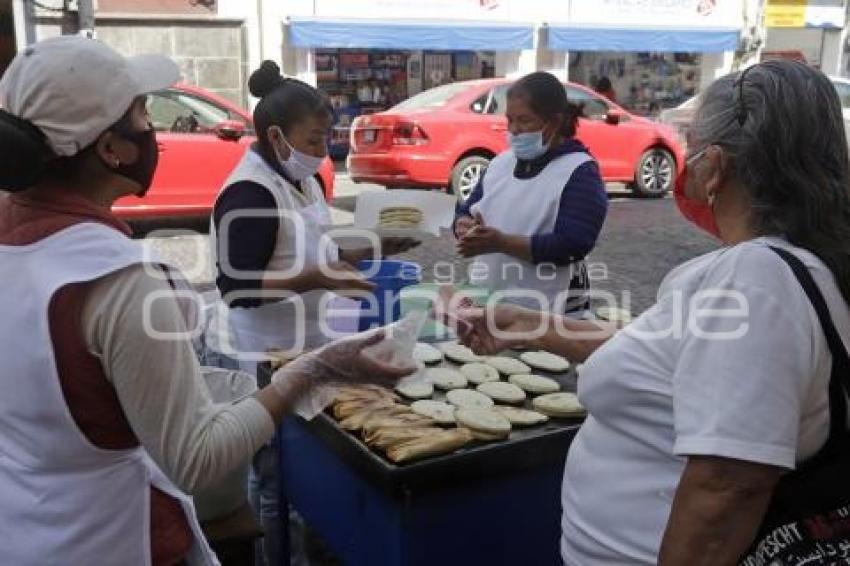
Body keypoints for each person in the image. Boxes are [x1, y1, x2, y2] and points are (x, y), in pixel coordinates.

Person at [0, 36, 414, 565]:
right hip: (103, 537)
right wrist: (313, 371)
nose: (154, 130)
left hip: (23, 527)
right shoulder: (118, 281)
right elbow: (195, 459)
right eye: (143, 113)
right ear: (111, 148)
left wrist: (365, 250)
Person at [455, 60, 850, 563]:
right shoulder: (783, 267)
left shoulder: (758, 278)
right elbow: (661, 357)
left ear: (716, 167)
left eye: (692, 148)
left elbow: (727, 487)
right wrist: (522, 324)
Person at [209, 60, 417, 565]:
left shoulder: (306, 181)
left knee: (312, 471)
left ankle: (315, 549)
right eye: (314, 139)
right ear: (277, 136)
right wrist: (316, 279)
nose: (324, 150)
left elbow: (319, 254)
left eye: (327, 138)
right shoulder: (248, 192)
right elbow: (236, 287)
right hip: (264, 353)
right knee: (274, 474)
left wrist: (375, 246)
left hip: (310, 345)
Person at [454, 71, 608, 317]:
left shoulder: (579, 172)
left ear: (555, 122)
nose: (514, 130)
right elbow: (468, 208)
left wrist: (502, 243)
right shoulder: (500, 164)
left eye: (524, 121)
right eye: (510, 120)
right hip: (488, 296)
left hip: (547, 309)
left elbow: (573, 244)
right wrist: (463, 225)